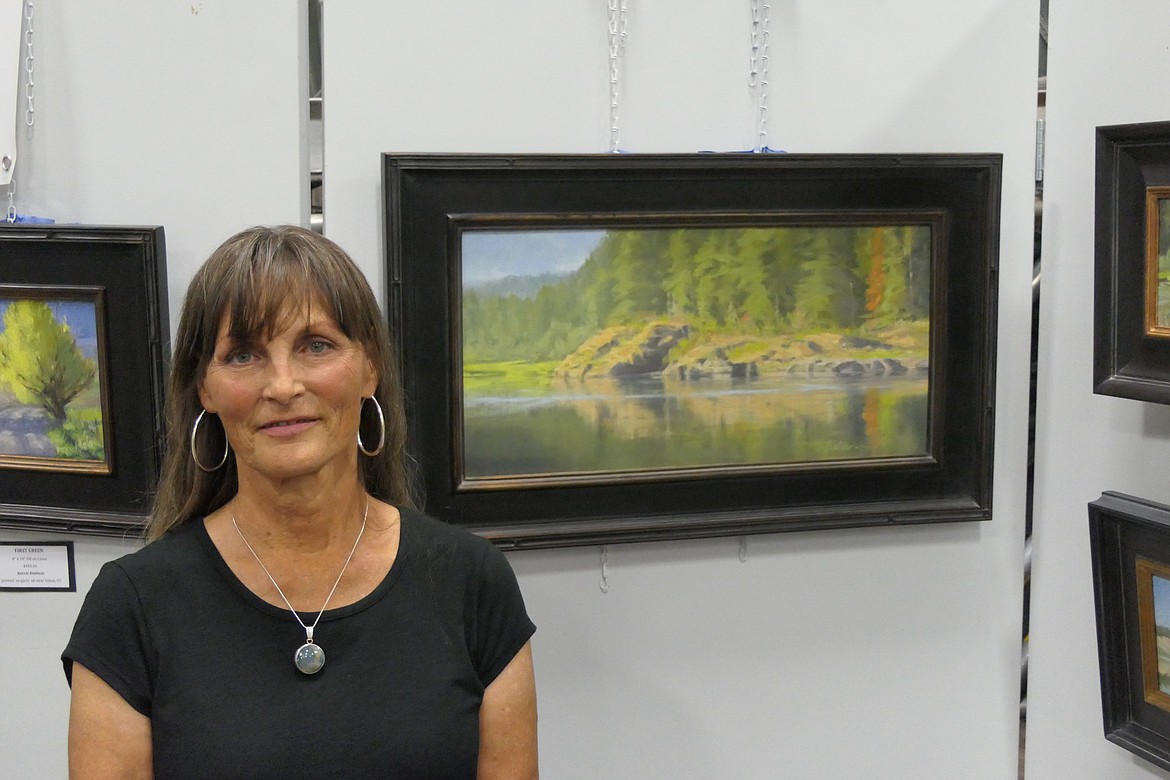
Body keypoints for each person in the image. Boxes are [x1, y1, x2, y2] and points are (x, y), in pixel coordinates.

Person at [62, 225, 538, 779]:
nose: (283, 385)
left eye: (316, 345)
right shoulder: (131, 608)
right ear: (205, 390)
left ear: (370, 369)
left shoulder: (472, 584)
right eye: (243, 355)